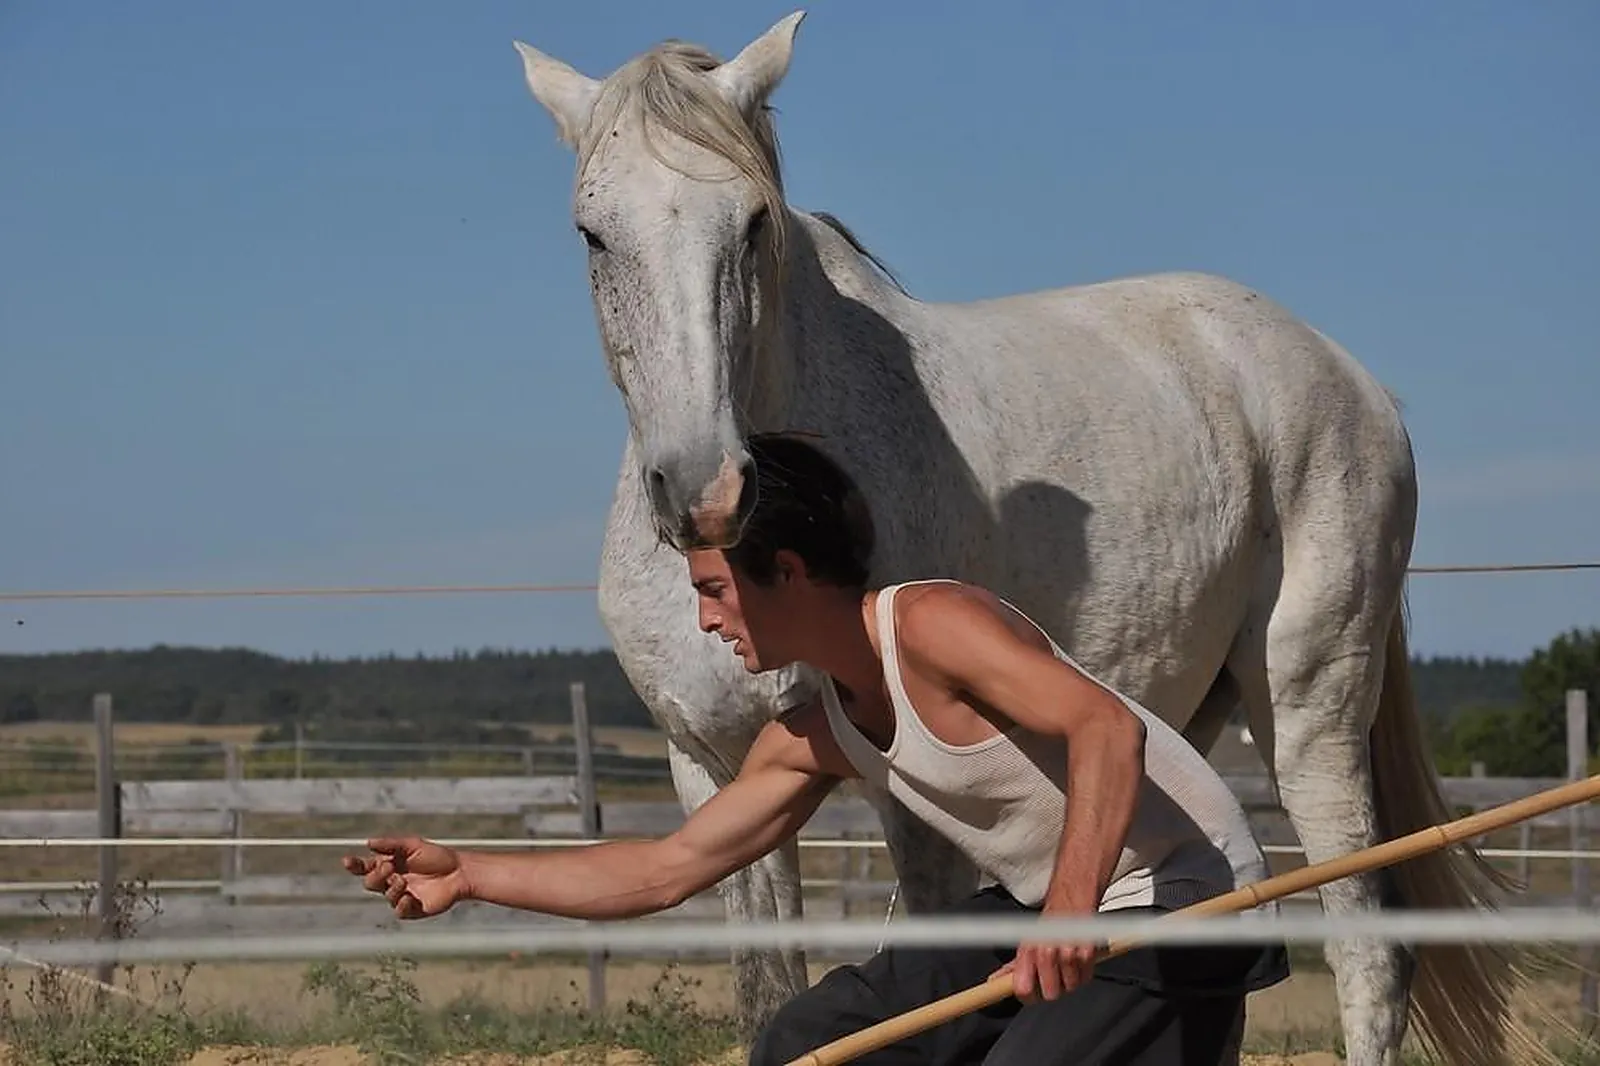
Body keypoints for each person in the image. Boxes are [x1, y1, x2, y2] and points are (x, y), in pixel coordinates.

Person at [341, 434, 1290, 1065]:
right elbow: (668, 870)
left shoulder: (933, 624)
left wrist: (1073, 914)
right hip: (1054, 912)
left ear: (785, 572)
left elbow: (1104, 726)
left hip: (1184, 909)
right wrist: (468, 873)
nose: (707, 619)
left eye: (715, 589)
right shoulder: (814, 730)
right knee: (810, 1042)